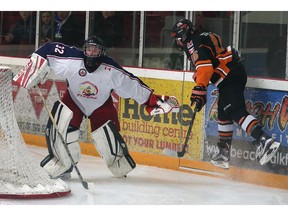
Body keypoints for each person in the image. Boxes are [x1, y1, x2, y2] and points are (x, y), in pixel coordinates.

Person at [13, 36, 179, 179]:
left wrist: (153, 101)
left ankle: (119, 164)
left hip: (100, 104)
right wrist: (35, 66)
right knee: (60, 130)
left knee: (109, 140)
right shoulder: (73, 60)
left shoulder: (111, 69)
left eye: (95, 50)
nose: (91, 53)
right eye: (89, 49)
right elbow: (48, 49)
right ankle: (64, 165)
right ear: (84, 50)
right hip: (75, 100)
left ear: (102, 52)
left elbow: (133, 86)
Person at [170, 18, 281, 169]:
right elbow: (210, 62)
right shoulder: (202, 36)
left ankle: (264, 140)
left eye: (178, 38)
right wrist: (199, 80)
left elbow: (205, 68)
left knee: (235, 111)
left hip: (229, 76)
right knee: (223, 112)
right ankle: (223, 153)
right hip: (232, 74)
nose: (178, 43)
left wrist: (199, 89)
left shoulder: (193, 43)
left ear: (184, 35)